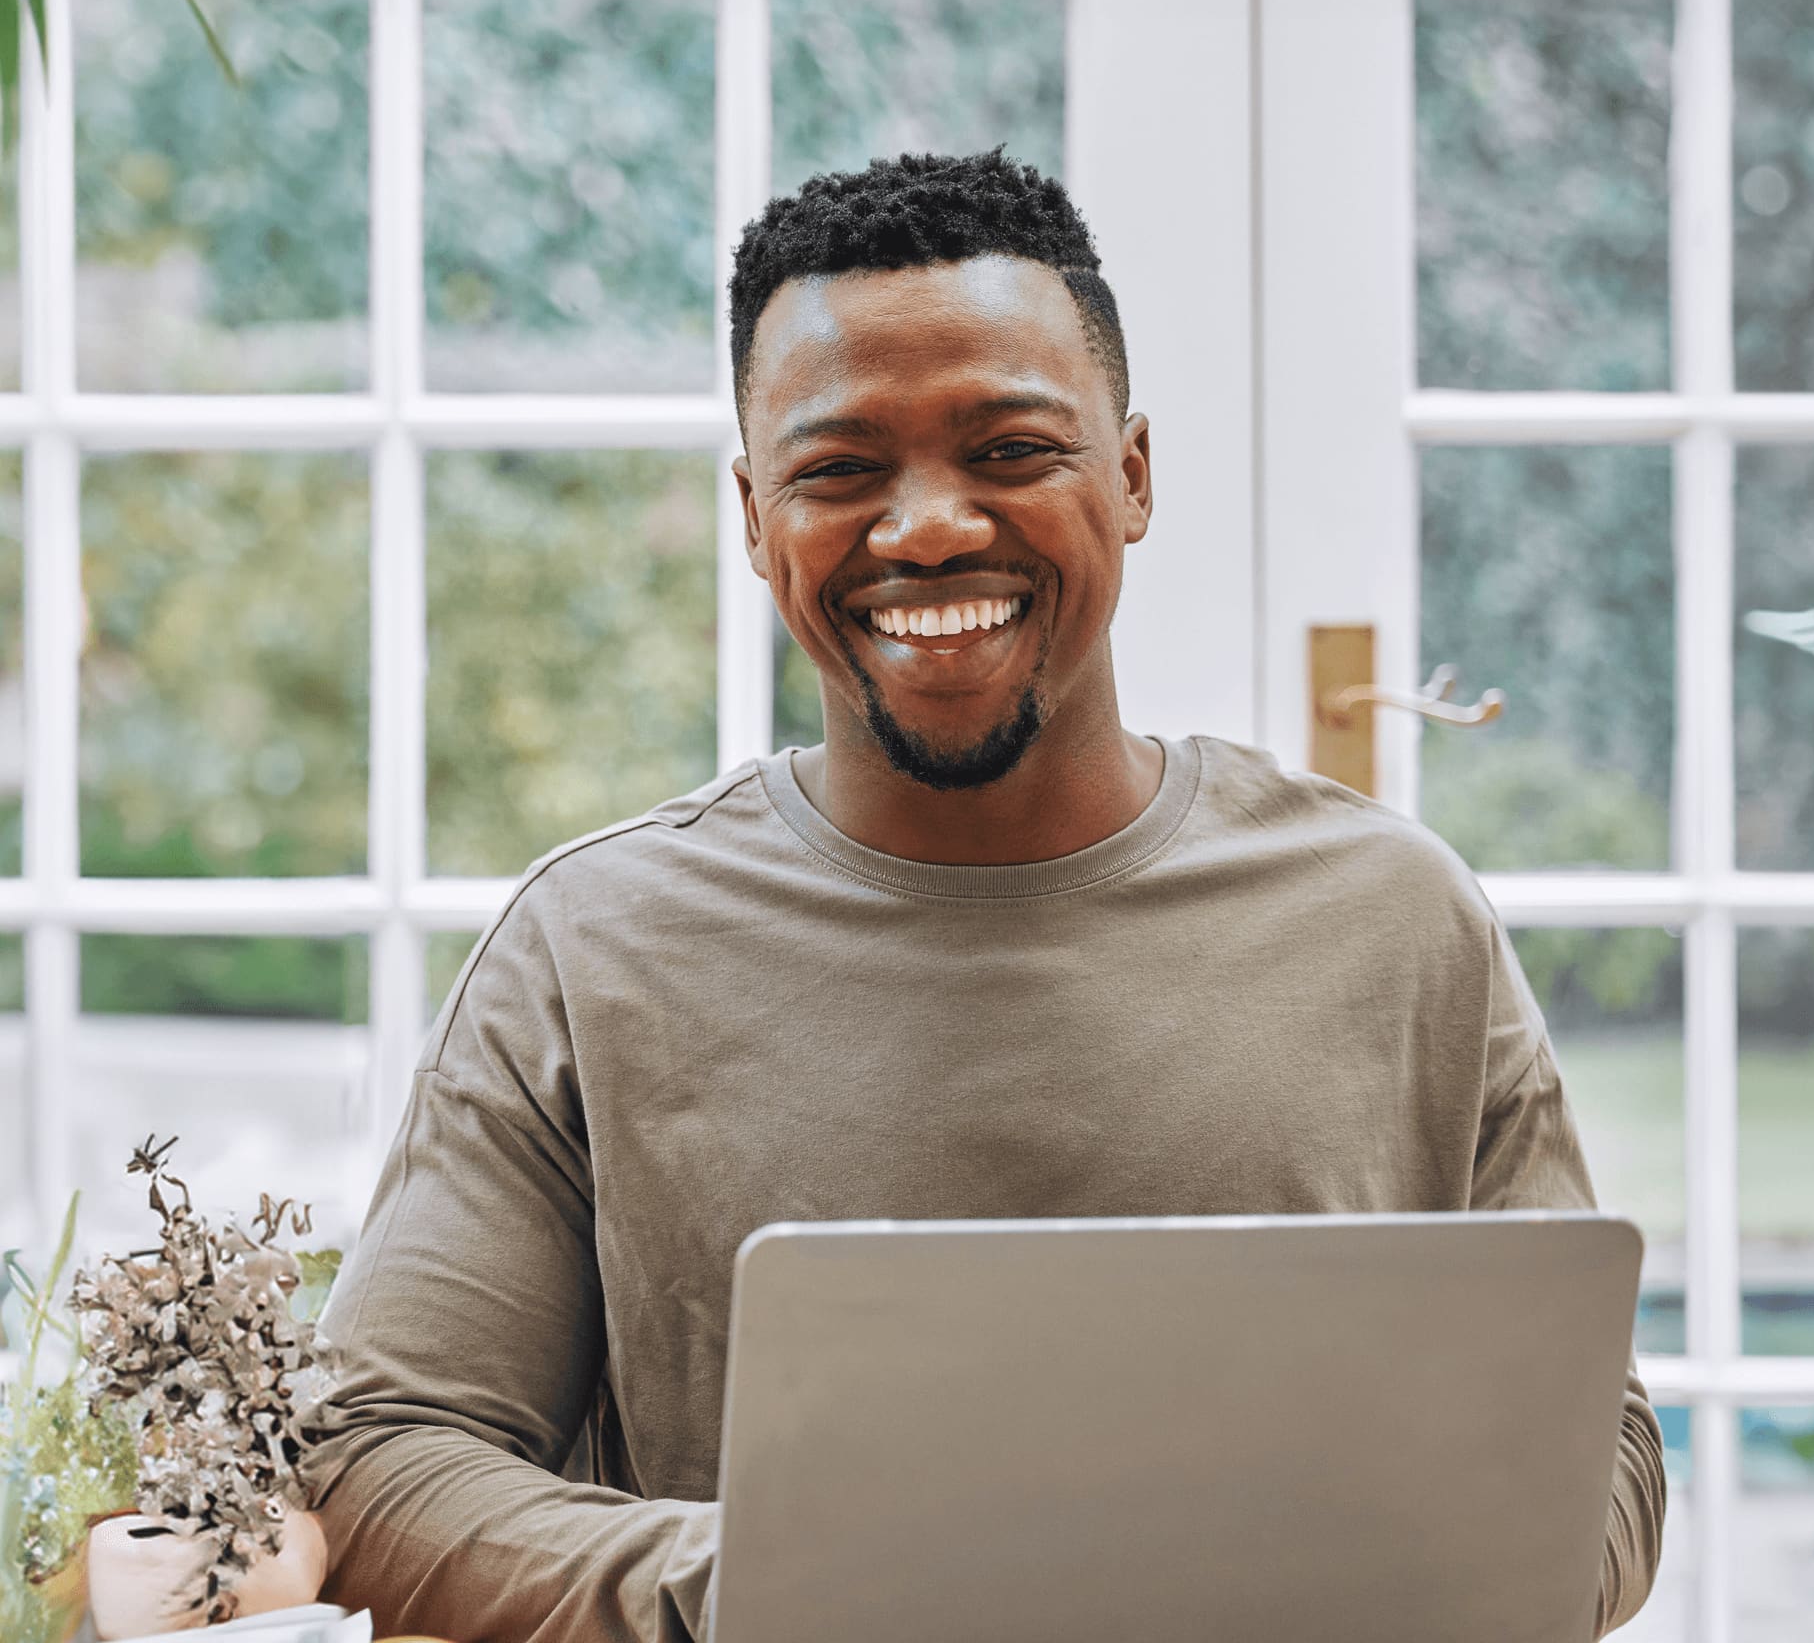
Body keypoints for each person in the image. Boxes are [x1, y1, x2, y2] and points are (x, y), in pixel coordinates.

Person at [304, 147, 1665, 1640]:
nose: (931, 527)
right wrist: (787, 1582)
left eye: (1011, 449)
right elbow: (376, 1459)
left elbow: (1599, 1455)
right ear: (757, 517)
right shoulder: (593, 945)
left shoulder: (1396, 919)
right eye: (840, 471)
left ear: (1131, 476)